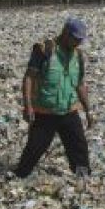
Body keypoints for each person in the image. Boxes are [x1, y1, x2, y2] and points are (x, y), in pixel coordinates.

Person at [13, 17, 94, 182]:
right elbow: (29, 78)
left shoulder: (77, 56)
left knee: (79, 147)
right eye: (75, 39)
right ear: (65, 33)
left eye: (80, 40)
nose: (78, 43)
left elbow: (79, 84)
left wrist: (88, 110)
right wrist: (27, 106)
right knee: (35, 148)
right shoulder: (44, 50)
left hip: (69, 110)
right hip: (45, 112)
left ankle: (83, 178)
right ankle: (20, 175)